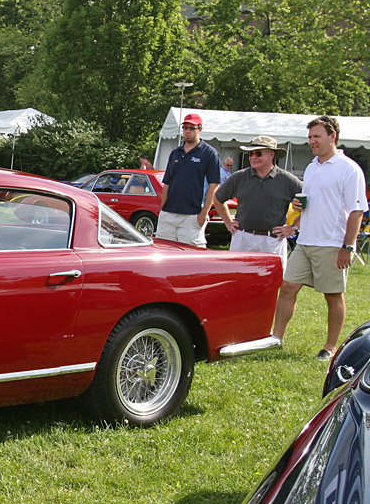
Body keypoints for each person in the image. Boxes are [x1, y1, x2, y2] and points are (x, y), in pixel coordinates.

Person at [272, 115, 368, 361]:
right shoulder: (313, 167)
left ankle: (330, 347)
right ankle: (276, 338)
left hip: (332, 244)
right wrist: (295, 222)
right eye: (310, 137)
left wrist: (348, 246)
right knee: (288, 288)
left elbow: (356, 211)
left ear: (332, 136)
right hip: (305, 242)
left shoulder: (349, 169)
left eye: (316, 136)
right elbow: (309, 205)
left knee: (333, 295)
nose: (312, 142)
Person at [212, 135, 303, 269]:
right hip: (243, 238)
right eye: (250, 153)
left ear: (271, 154)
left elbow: (312, 205)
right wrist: (228, 222)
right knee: (238, 281)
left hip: (272, 241)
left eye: (258, 153)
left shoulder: (288, 180)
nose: (253, 157)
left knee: (271, 284)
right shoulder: (239, 177)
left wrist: (294, 228)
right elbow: (218, 199)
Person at [155, 112, 221, 247]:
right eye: (185, 128)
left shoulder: (209, 153)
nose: (187, 131)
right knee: (163, 254)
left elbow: (213, 186)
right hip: (169, 213)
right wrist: (162, 210)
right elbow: (166, 183)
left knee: (190, 258)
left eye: (191, 128)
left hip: (192, 215)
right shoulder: (175, 153)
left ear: (200, 129)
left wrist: (203, 214)